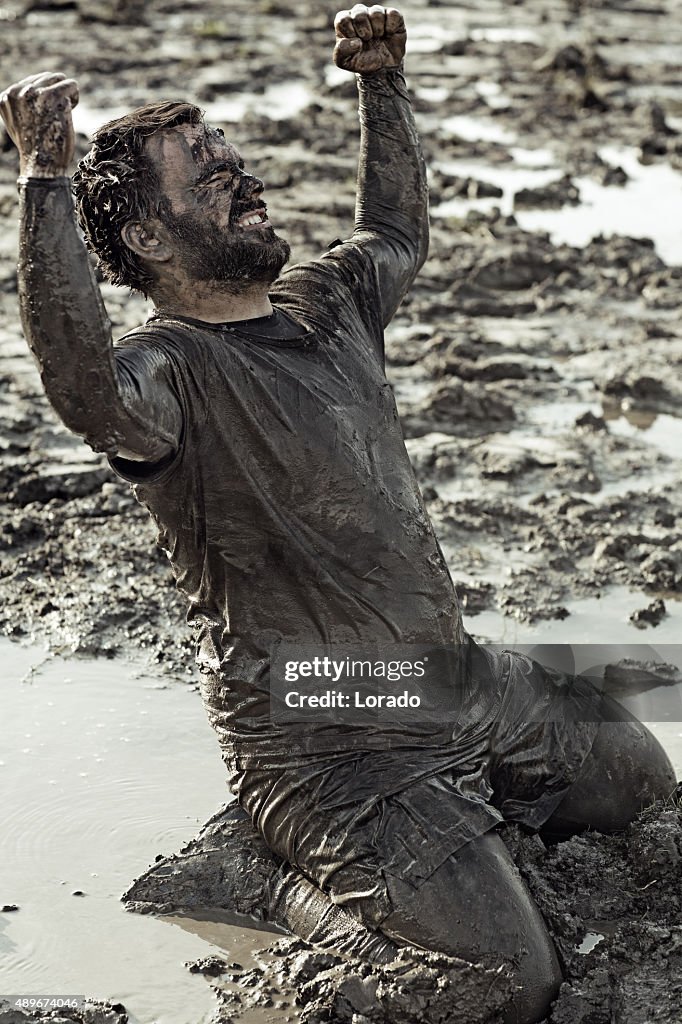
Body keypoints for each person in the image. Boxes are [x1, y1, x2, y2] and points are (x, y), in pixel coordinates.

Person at [1, 6, 675, 1022]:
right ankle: (266, 877)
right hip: (320, 736)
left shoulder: (331, 301)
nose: (247, 182)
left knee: (646, 795)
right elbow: (78, 381)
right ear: (149, 235)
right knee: (505, 983)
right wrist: (43, 181)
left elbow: (394, 228)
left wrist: (381, 82)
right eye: (211, 178)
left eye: (236, 162)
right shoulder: (162, 374)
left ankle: (463, 830)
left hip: (442, 677)